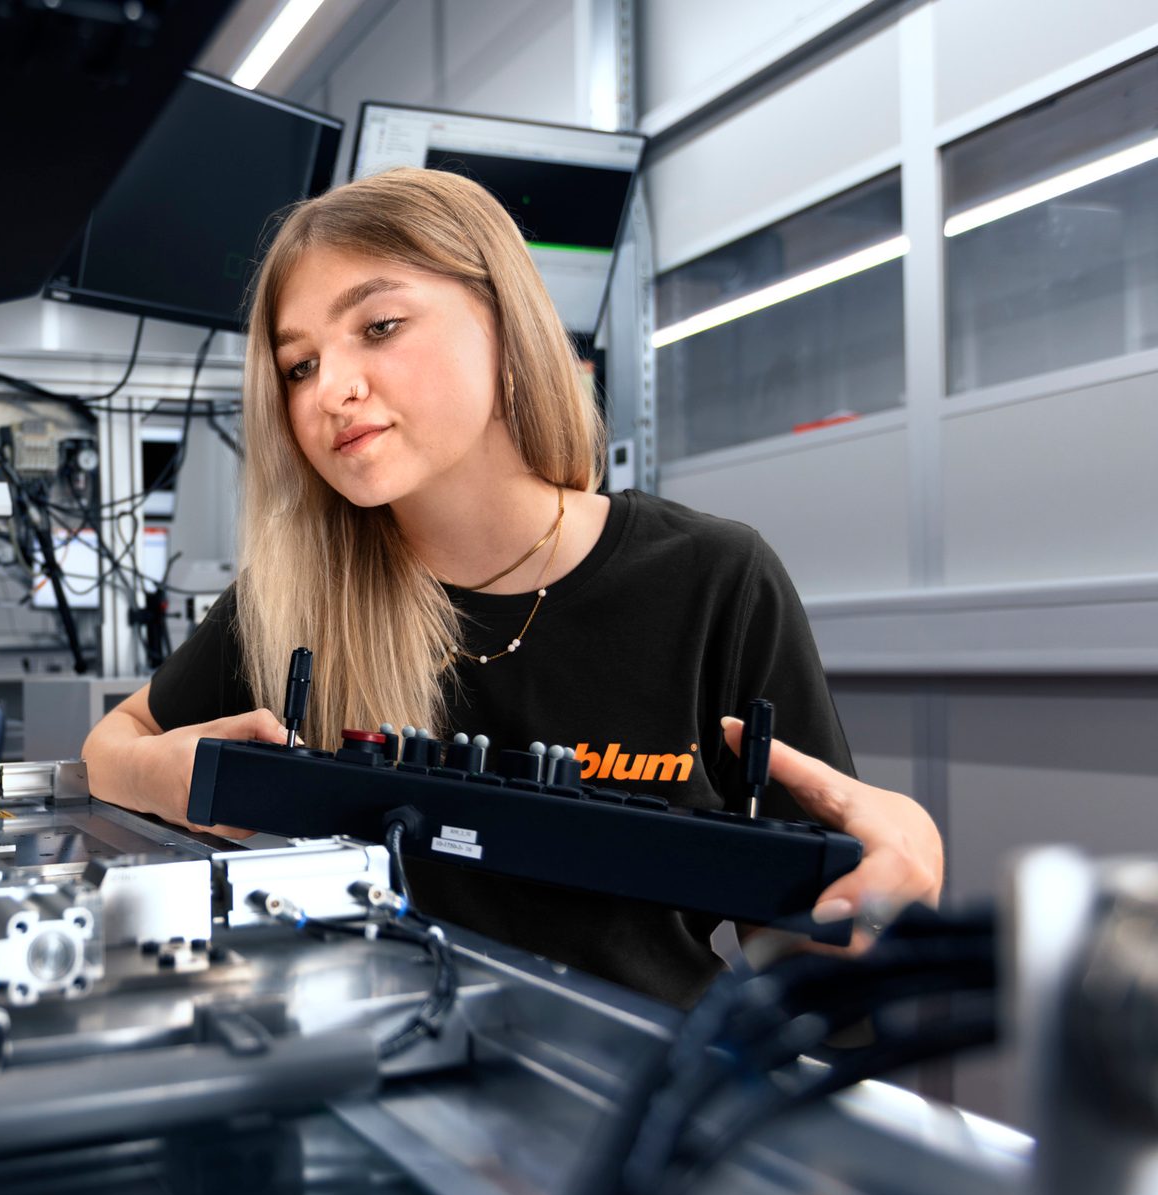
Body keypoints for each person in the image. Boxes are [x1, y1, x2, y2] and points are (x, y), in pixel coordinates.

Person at [81, 167, 942, 1007]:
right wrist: (174, 774)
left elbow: (809, 958)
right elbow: (110, 745)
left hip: (636, 1098)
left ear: (505, 325)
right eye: (298, 367)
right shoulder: (297, 599)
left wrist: (881, 902)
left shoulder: (713, 579)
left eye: (378, 326)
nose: (332, 393)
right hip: (384, 1086)